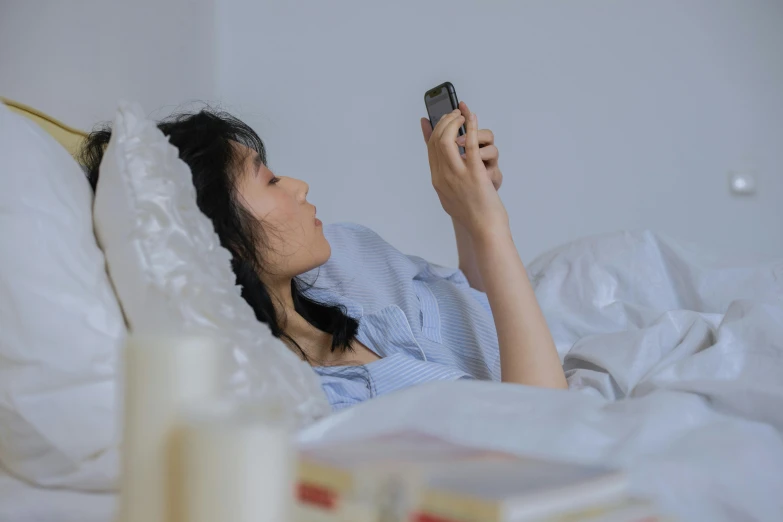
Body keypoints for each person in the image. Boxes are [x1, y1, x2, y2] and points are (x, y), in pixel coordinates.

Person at [80, 101, 567, 410]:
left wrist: (468, 212)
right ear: (220, 236)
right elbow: (545, 429)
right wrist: (489, 224)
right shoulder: (321, 400)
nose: (298, 186)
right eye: (268, 180)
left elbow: (476, 313)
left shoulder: (342, 289)